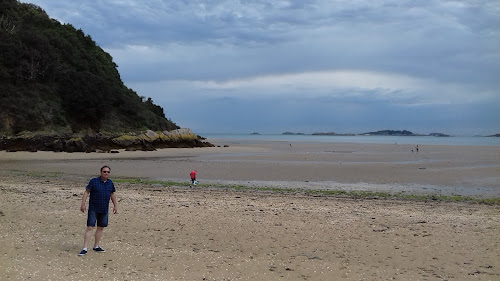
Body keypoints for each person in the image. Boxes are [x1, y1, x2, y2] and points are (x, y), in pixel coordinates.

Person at [78, 165, 118, 256]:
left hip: (104, 209)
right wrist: (83, 204)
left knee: (101, 227)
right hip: (93, 208)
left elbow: (112, 194)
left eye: (108, 172)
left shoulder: (110, 183)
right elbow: (87, 192)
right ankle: (85, 248)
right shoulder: (94, 181)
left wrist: (115, 205)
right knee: (90, 227)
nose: (106, 173)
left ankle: (96, 246)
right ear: (101, 172)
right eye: (104, 171)